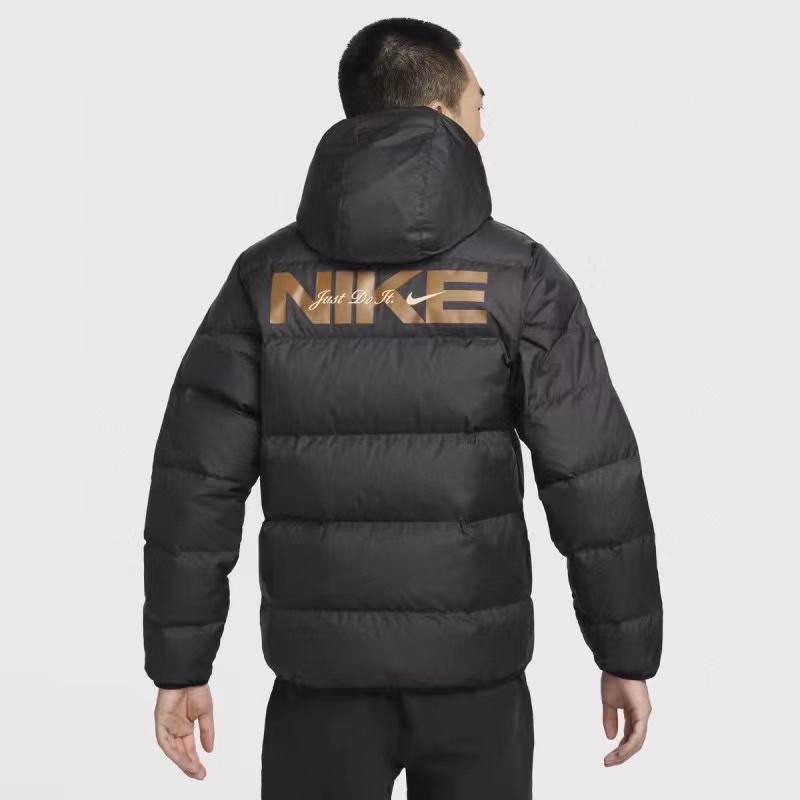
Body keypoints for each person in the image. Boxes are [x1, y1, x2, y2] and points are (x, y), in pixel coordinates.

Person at [142, 16, 663, 799]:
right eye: (479, 107)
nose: (485, 129)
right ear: (441, 112)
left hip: (320, 682)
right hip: (476, 680)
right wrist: (624, 653)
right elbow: (592, 476)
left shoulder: (266, 280)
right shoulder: (519, 276)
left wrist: (181, 665)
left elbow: (196, 483)